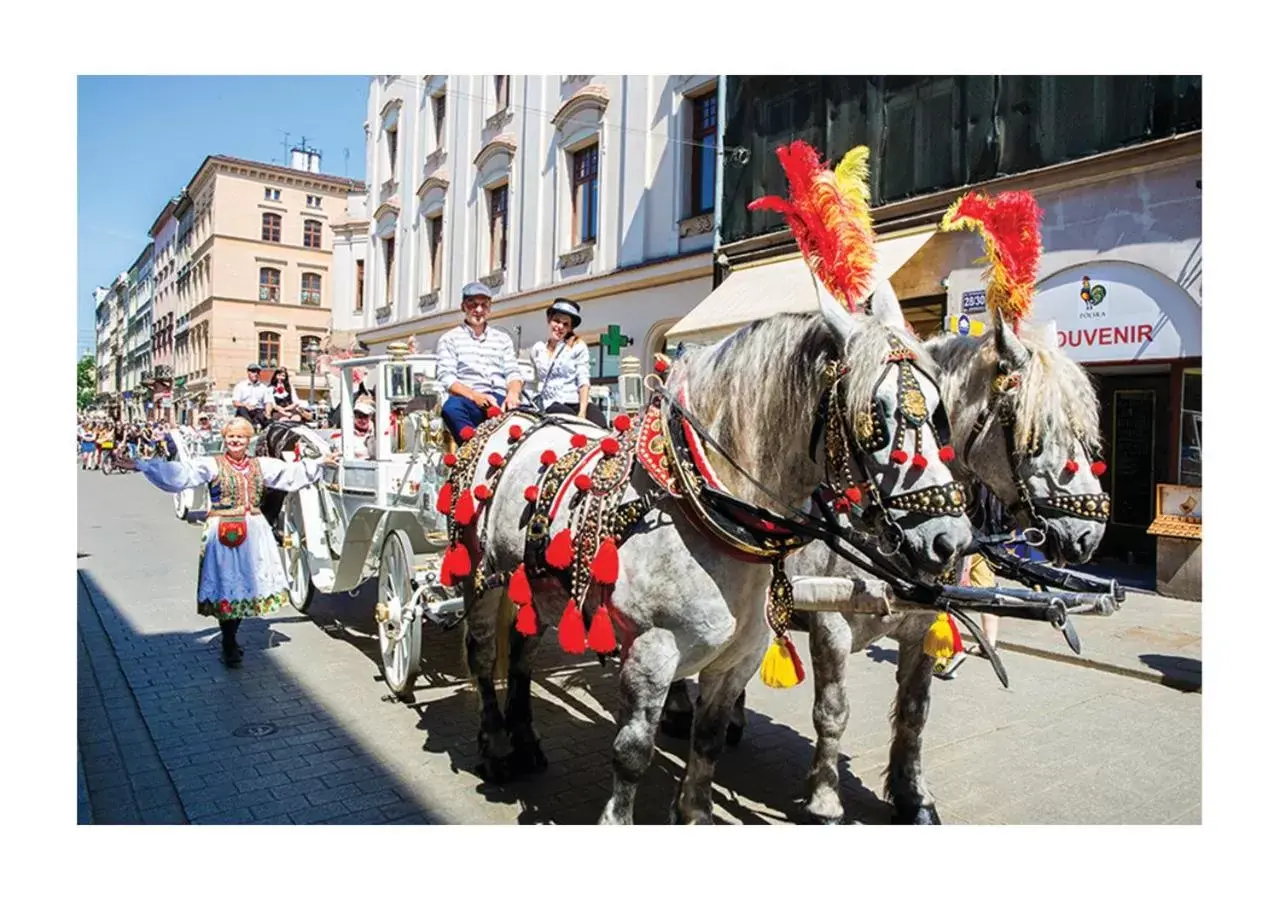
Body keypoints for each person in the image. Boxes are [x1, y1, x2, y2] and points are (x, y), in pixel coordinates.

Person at [137, 418, 338, 667]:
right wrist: (143, 466)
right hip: (222, 530)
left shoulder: (260, 465)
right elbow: (182, 473)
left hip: (253, 530)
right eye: (231, 436)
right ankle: (229, 640)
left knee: (243, 584)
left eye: (241, 437)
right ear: (225, 438)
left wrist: (319, 462)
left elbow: (291, 473)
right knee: (225, 585)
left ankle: (231, 637)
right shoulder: (212, 464)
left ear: (249, 440)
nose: (235, 441)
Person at [435, 281, 524, 443]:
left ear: (489, 308)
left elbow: (513, 372)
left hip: (500, 400)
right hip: (469, 400)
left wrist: (513, 393)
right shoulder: (449, 339)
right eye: (473, 305)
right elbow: (447, 378)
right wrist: (475, 396)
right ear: (463, 307)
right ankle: (471, 449)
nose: (478, 310)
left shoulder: (502, 339)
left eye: (484, 305)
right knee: (451, 408)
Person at [530, 298, 607, 427]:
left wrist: (582, 412)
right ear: (549, 320)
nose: (560, 327)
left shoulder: (577, 346)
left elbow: (583, 380)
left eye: (565, 324)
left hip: (575, 401)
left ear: (570, 328)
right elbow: (533, 381)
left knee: (600, 422)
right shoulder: (538, 349)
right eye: (557, 321)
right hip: (551, 404)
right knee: (569, 421)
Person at [232, 363, 271, 430]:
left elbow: (268, 402)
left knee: (265, 417)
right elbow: (235, 402)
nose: (255, 374)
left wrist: (268, 413)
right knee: (242, 409)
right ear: (248, 372)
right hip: (245, 411)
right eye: (253, 372)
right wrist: (245, 405)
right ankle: (251, 426)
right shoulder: (240, 386)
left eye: (257, 372)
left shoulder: (264, 387)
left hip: (258, 410)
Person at [350, 393, 377, 460]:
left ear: (371, 416)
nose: (362, 420)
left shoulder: (377, 433)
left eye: (365, 416)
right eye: (359, 416)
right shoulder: (347, 433)